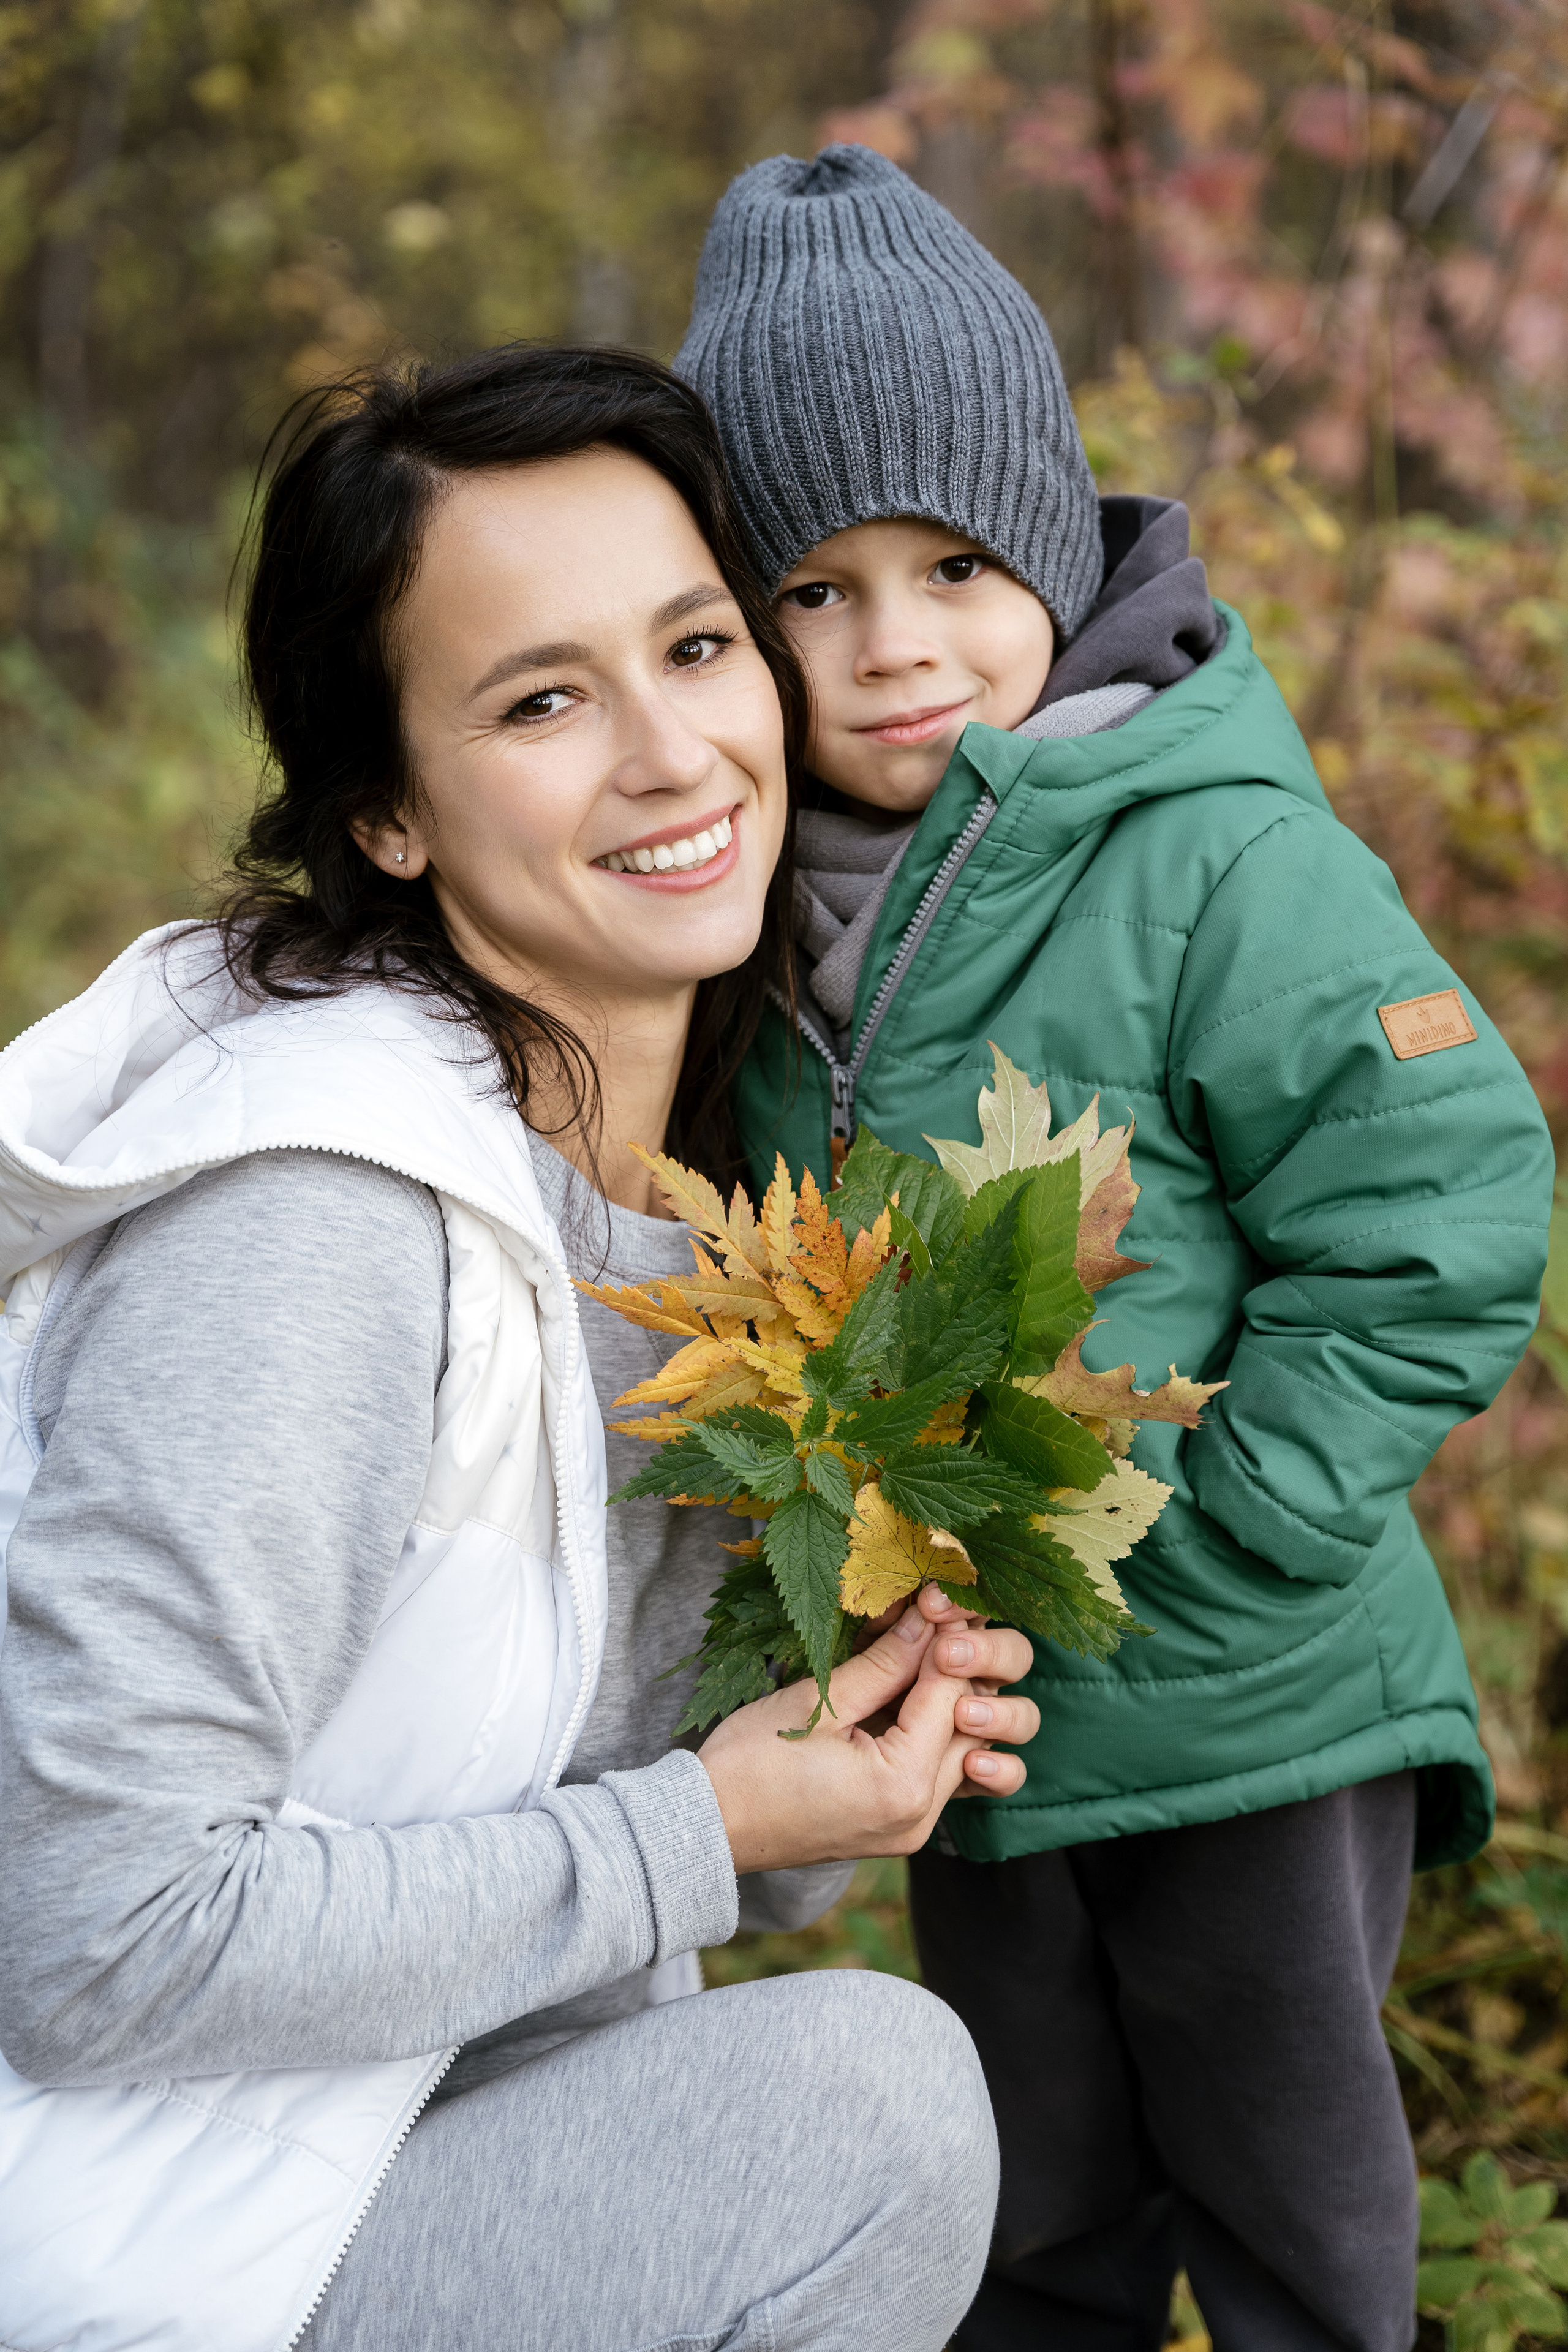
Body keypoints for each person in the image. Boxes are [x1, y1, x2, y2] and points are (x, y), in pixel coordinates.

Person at [0, 344, 1040, 2352]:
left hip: (337, 2166)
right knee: (867, 2112)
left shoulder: (682, 1220)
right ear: (386, 811)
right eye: (545, 700)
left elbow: (596, 1848)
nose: (673, 755)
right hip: (127, 2242)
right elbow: (94, 1934)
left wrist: (831, 1750)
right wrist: (701, 1832)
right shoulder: (321, 1221)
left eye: (699, 647)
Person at [676, 147, 1557, 2352]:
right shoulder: (758, 903)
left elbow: (1441, 1202)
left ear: (1055, 541)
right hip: (978, 1720)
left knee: (1285, 2200)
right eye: (811, 590)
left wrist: (1247, 1518)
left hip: (1253, 1697)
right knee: (1022, 2194)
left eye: (957, 564)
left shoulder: (1208, 855)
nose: (895, 646)